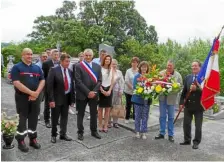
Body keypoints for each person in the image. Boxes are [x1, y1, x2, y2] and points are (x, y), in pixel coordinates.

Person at [11, 48, 45, 152]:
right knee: (22, 119)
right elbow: (16, 83)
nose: (30, 56)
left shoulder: (37, 68)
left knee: (34, 118)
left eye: (31, 54)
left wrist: (37, 93)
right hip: (22, 98)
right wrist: (31, 93)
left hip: (35, 98)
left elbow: (42, 80)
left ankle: (32, 139)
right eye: (27, 54)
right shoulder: (17, 67)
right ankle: (21, 141)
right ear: (22, 55)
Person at [47, 54, 75, 143]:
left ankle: (63, 134)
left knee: (65, 117)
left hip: (66, 98)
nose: (68, 63)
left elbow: (71, 86)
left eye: (69, 61)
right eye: (66, 61)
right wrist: (51, 100)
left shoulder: (70, 71)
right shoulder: (54, 70)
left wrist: (72, 100)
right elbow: (49, 86)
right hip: (56, 98)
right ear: (61, 61)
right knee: (55, 118)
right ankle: (53, 135)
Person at [75, 49, 102, 141]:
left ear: (92, 56)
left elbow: (99, 80)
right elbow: (78, 81)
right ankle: (80, 132)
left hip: (94, 94)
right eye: (86, 55)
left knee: (94, 113)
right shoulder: (78, 66)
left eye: (90, 55)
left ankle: (94, 131)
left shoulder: (97, 66)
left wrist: (93, 92)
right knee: (80, 114)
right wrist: (88, 92)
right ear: (84, 55)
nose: (88, 57)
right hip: (82, 94)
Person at [155, 60, 183, 142]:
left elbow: (180, 87)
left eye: (170, 65)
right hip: (162, 98)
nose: (169, 67)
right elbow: (156, 83)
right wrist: (161, 89)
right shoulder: (161, 73)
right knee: (162, 116)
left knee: (171, 117)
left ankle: (171, 135)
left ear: (173, 66)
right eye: (168, 65)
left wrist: (172, 90)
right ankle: (162, 133)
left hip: (172, 99)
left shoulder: (178, 75)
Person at [179, 60, 204, 149]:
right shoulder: (188, 77)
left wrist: (196, 89)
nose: (194, 67)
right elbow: (184, 92)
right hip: (188, 106)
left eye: (196, 66)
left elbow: (205, 92)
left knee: (198, 126)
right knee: (186, 124)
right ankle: (187, 140)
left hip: (198, 106)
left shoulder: (204, 78)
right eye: (192, 66)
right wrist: (181, 103)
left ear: (200, 67)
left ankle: (196, 142)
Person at [132, 61, 152, 139]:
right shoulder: (137, 76)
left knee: (145, 116)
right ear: (140, 67)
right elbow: (134, 87)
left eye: (145, 67)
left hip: (147, 100)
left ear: (147, 68)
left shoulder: (149, 76)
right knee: (137, 116)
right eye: (143, 67)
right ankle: (137, 131)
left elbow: (152, 86)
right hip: (138, 99)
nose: (144, 68)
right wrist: (142, 91)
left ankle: (143, 132)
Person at [42, 49, 60, 128]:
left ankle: (55, 119)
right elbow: (44, 76)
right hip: (49, 87)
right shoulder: (46, 63)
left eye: (57, 55)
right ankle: (47, 120)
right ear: (51, 55)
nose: (56, 56)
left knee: (57, 104)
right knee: (47, 104)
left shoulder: (60, 63)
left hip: (58, 87)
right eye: (54, 55)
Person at [98, 55, 114, 133]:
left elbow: (113, 81)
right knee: (100, 109)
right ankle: (100, 125)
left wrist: (109, 90)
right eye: (106, 59)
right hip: (101, 89)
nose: (107, 60)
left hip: (109, 90)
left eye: (109, 59)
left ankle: (105, 125)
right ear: (104, 60)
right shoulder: (99, 68)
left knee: (107, 109)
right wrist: (102, 90)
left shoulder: (112, 69)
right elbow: (97, 80)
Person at [108, 59, 124, 128]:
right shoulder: (108, 72)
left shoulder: (119, 72)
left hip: (118, 92)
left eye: (115, 64)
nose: (114, 65)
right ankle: (109, 122)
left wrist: (121, 90)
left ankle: (115, 122)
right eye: (112, 64)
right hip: (111, 91)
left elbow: (122, 82)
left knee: (117, 107)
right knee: (109, 106)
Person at [124, 57, 140, 124]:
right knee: (128, 105)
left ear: (137, 63)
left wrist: (137, 89)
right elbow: (127, 81)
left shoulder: (139, 70)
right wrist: (133, 88)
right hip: (128, 91)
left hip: (137, 91)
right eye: (133, 62)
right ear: (131, 63)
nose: (134, 63)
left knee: (135, 105)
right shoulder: (128, 71)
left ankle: (134, 118)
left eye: (135, 62)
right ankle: (127, 118)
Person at [36, 52, 48, 120]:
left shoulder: (48, 64)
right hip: (40, 86)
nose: (45, 58)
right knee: (39, 101)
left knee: (47, 101)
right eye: (43, 57)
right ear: (40, 57)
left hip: (47, 85)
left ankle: (46, 113)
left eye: (46, 56)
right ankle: (37, 114)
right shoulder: (37, 66)